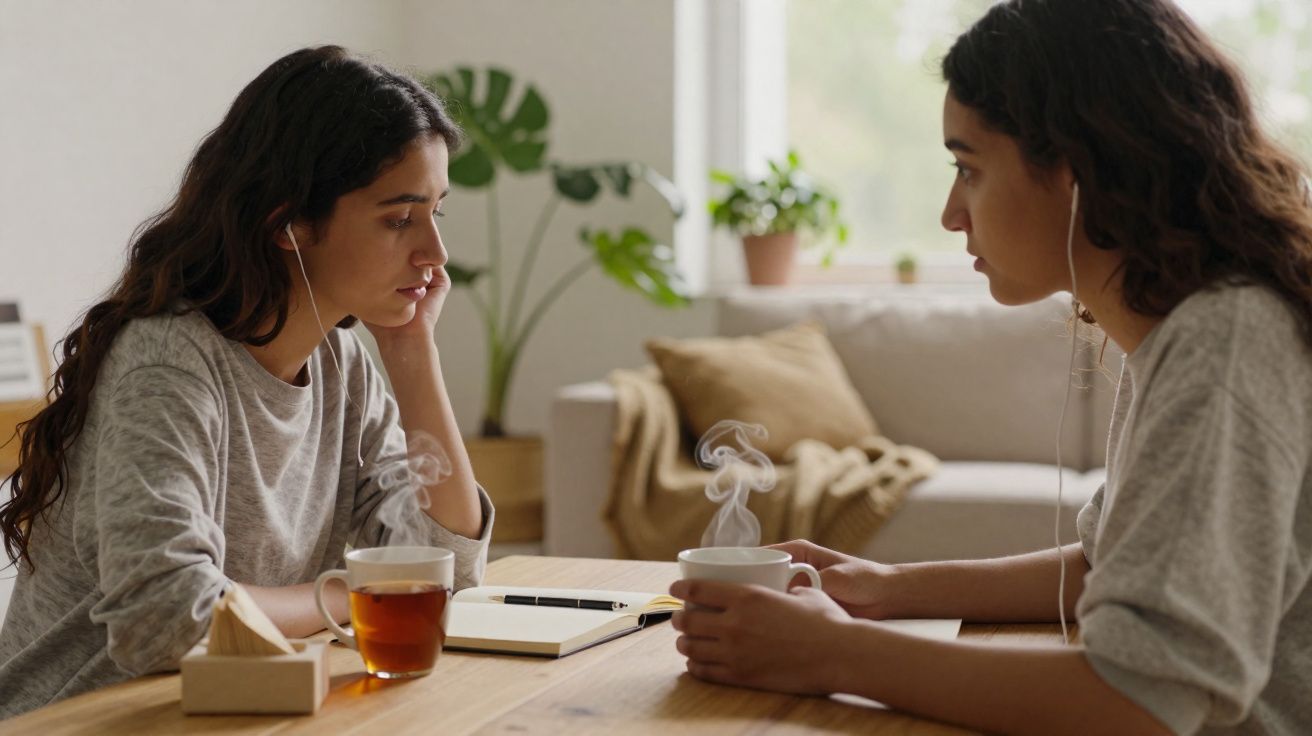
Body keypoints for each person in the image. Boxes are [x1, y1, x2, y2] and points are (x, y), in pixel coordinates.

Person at [670, 1, 1312, 733]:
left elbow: (1144, 697)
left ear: (1075, 170)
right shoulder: (1184, 327)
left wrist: (834, 652)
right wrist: (882, 589)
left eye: (968, 169)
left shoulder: (1225, 343)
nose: (951, 212)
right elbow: (1113, 568)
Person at [0, 45, 493, 718]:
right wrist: (356, 594)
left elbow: (445, 568)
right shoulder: (167, 361)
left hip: (225, 711)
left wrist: (412, 353)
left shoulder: (341, 367)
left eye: (436, 212)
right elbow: (166, 619)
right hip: (86, 718)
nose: (435, 255)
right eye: (398, 217)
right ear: (288, 225)